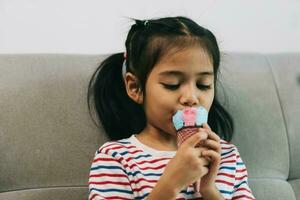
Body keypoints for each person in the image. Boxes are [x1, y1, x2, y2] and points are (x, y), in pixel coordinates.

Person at [87, 16, 255, 200]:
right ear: (135, 88)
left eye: (203, 84)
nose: (191, 98)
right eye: (172, 84)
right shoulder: (116, 158)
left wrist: (209, 190)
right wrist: (170, 185)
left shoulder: (227, 156)